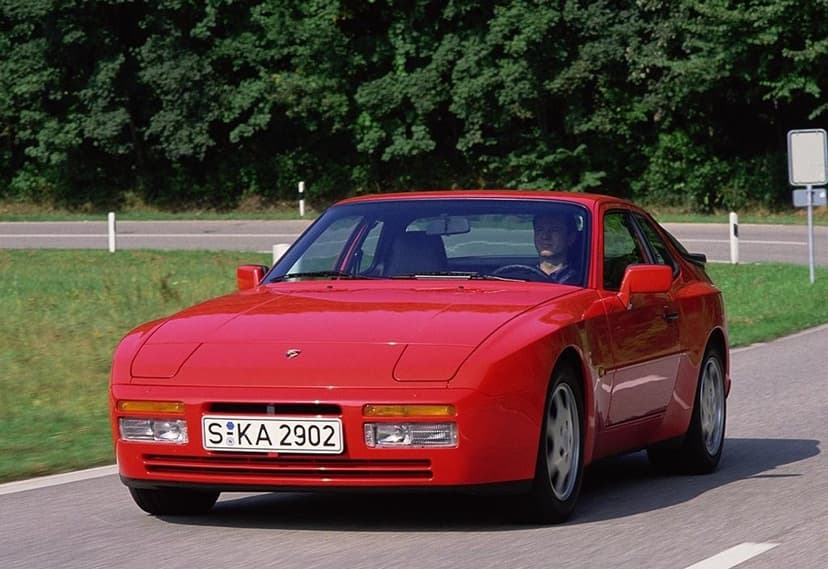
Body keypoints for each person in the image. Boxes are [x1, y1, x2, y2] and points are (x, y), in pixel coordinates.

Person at [533, 212, 579, 283]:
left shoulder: (579, 281)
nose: (545, 236)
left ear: (571, 238)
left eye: (554, 230)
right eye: (540, 230)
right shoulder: (521, 278)